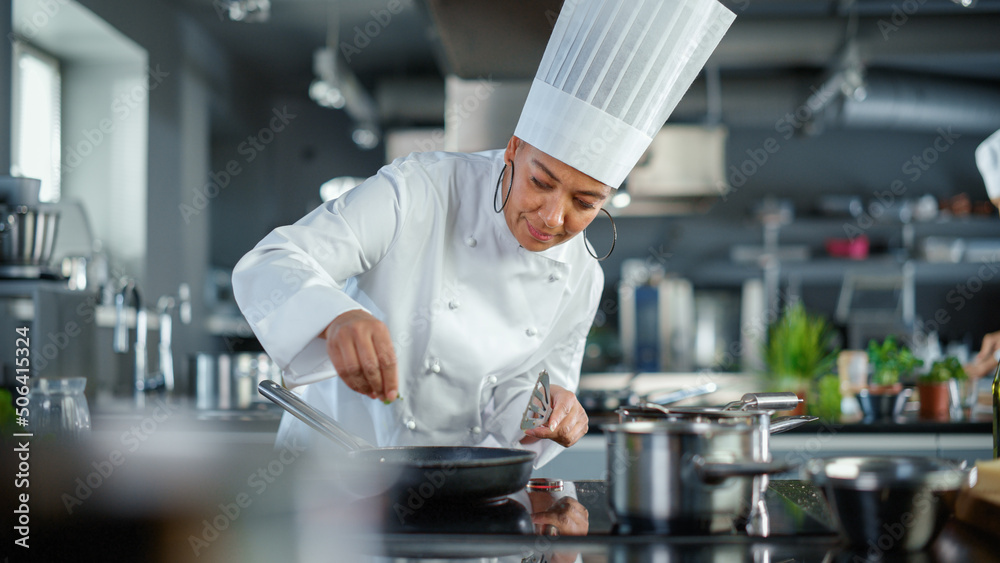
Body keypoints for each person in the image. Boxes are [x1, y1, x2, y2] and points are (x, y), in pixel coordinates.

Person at [232, 0, 735, 468]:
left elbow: (522, 398)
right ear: (514, 149)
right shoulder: (418, 190)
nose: (553, 218)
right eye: (541, 182)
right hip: (337, 471)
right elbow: (275, 260)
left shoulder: (582, 277)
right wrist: (335, 318)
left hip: (460, 489)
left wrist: (548, 409)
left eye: (585, 203)